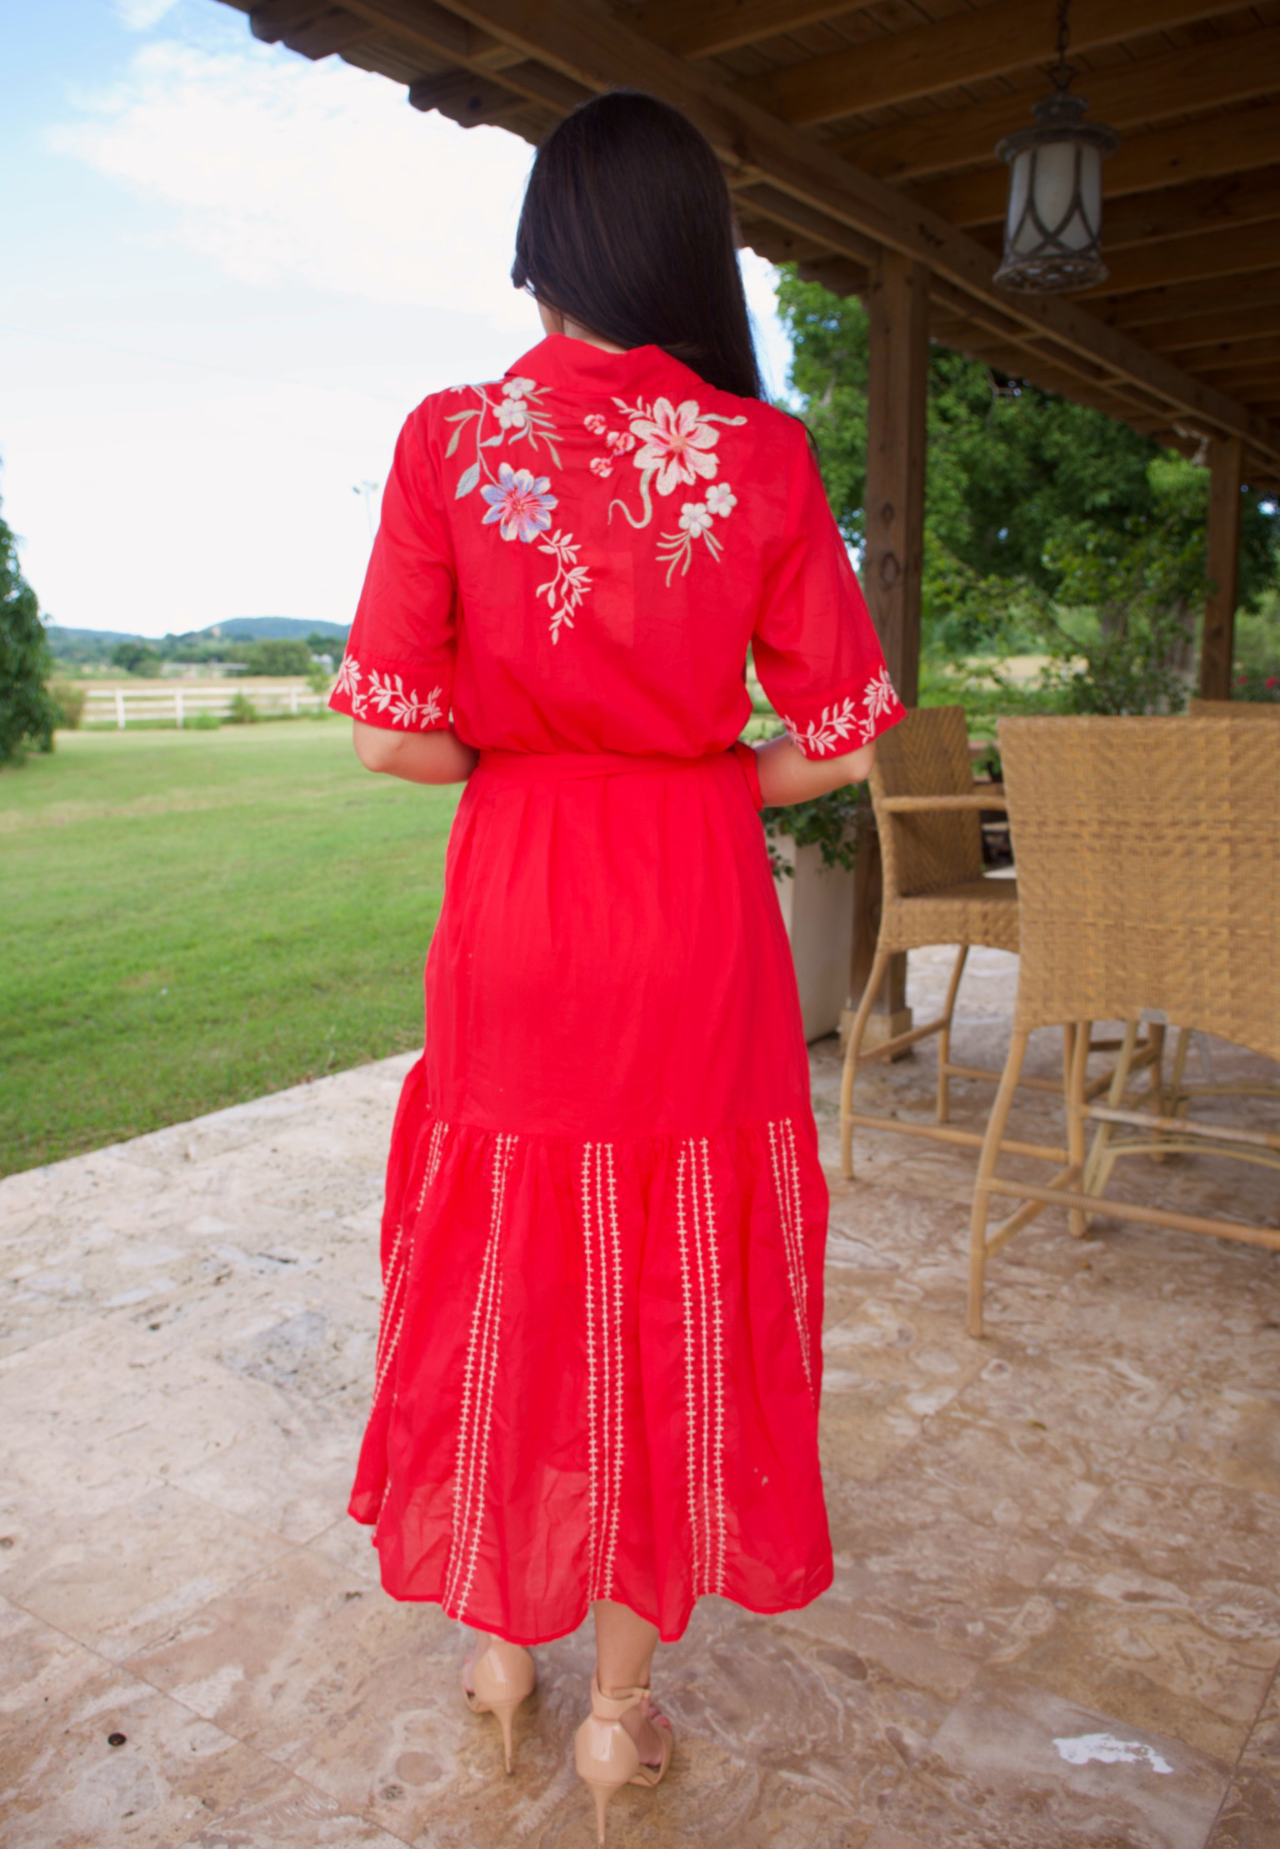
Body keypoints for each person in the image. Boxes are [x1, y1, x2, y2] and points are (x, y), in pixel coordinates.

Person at [330, 89, 905, 1843]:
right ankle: (619, 1715)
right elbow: (846, 734)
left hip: (519, 903)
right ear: (686, 246)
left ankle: (501, 1655)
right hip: (694, 907)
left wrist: (524, 761)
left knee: (507, 1256)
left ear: (545, 253)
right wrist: (708, 770)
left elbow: (390, 739)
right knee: (670, 1288)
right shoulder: (766, 455)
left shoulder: (448, 438)